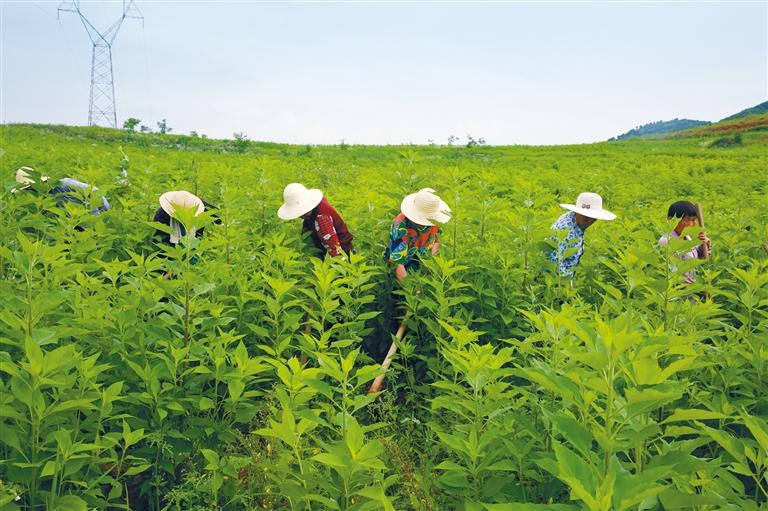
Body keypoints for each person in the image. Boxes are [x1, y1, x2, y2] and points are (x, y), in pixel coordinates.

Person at [385, 188, 451, 281]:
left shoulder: (436, 221)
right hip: (402, 262)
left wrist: (433, 263)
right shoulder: (400, 226)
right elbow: (398, 264)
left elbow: (437, 240)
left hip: (421, 257)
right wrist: (412, 291)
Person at [548, 191, 616, 278]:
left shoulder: (574, 220)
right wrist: (567, 285)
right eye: (586, 216)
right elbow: (554, 262)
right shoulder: (565, 230)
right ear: (578, 212)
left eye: (593, 216)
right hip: (556, 281)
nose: (590, 220)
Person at [277, 183, 354, 259]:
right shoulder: (317, 205)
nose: (299, 216)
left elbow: (335, 251)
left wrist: (337, 268)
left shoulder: (322, 220)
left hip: (343, 257)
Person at [14, 167, 111, 215]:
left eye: (30, 188)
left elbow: (87, 205)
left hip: (99, 204)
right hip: (91, 204)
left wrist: (93, 224)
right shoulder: (49, 191)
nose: (31, 191)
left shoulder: (60, 188)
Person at [658, 200, 711, 284]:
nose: (691, 224)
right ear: (671, 219)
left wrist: (704, 246)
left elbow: (693, 258)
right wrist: (697, 288)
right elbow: (673, 274)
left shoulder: (686, 236)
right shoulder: (666, 241)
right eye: (688, 220)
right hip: (678, 293)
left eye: (693, 220)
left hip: (692, 291)